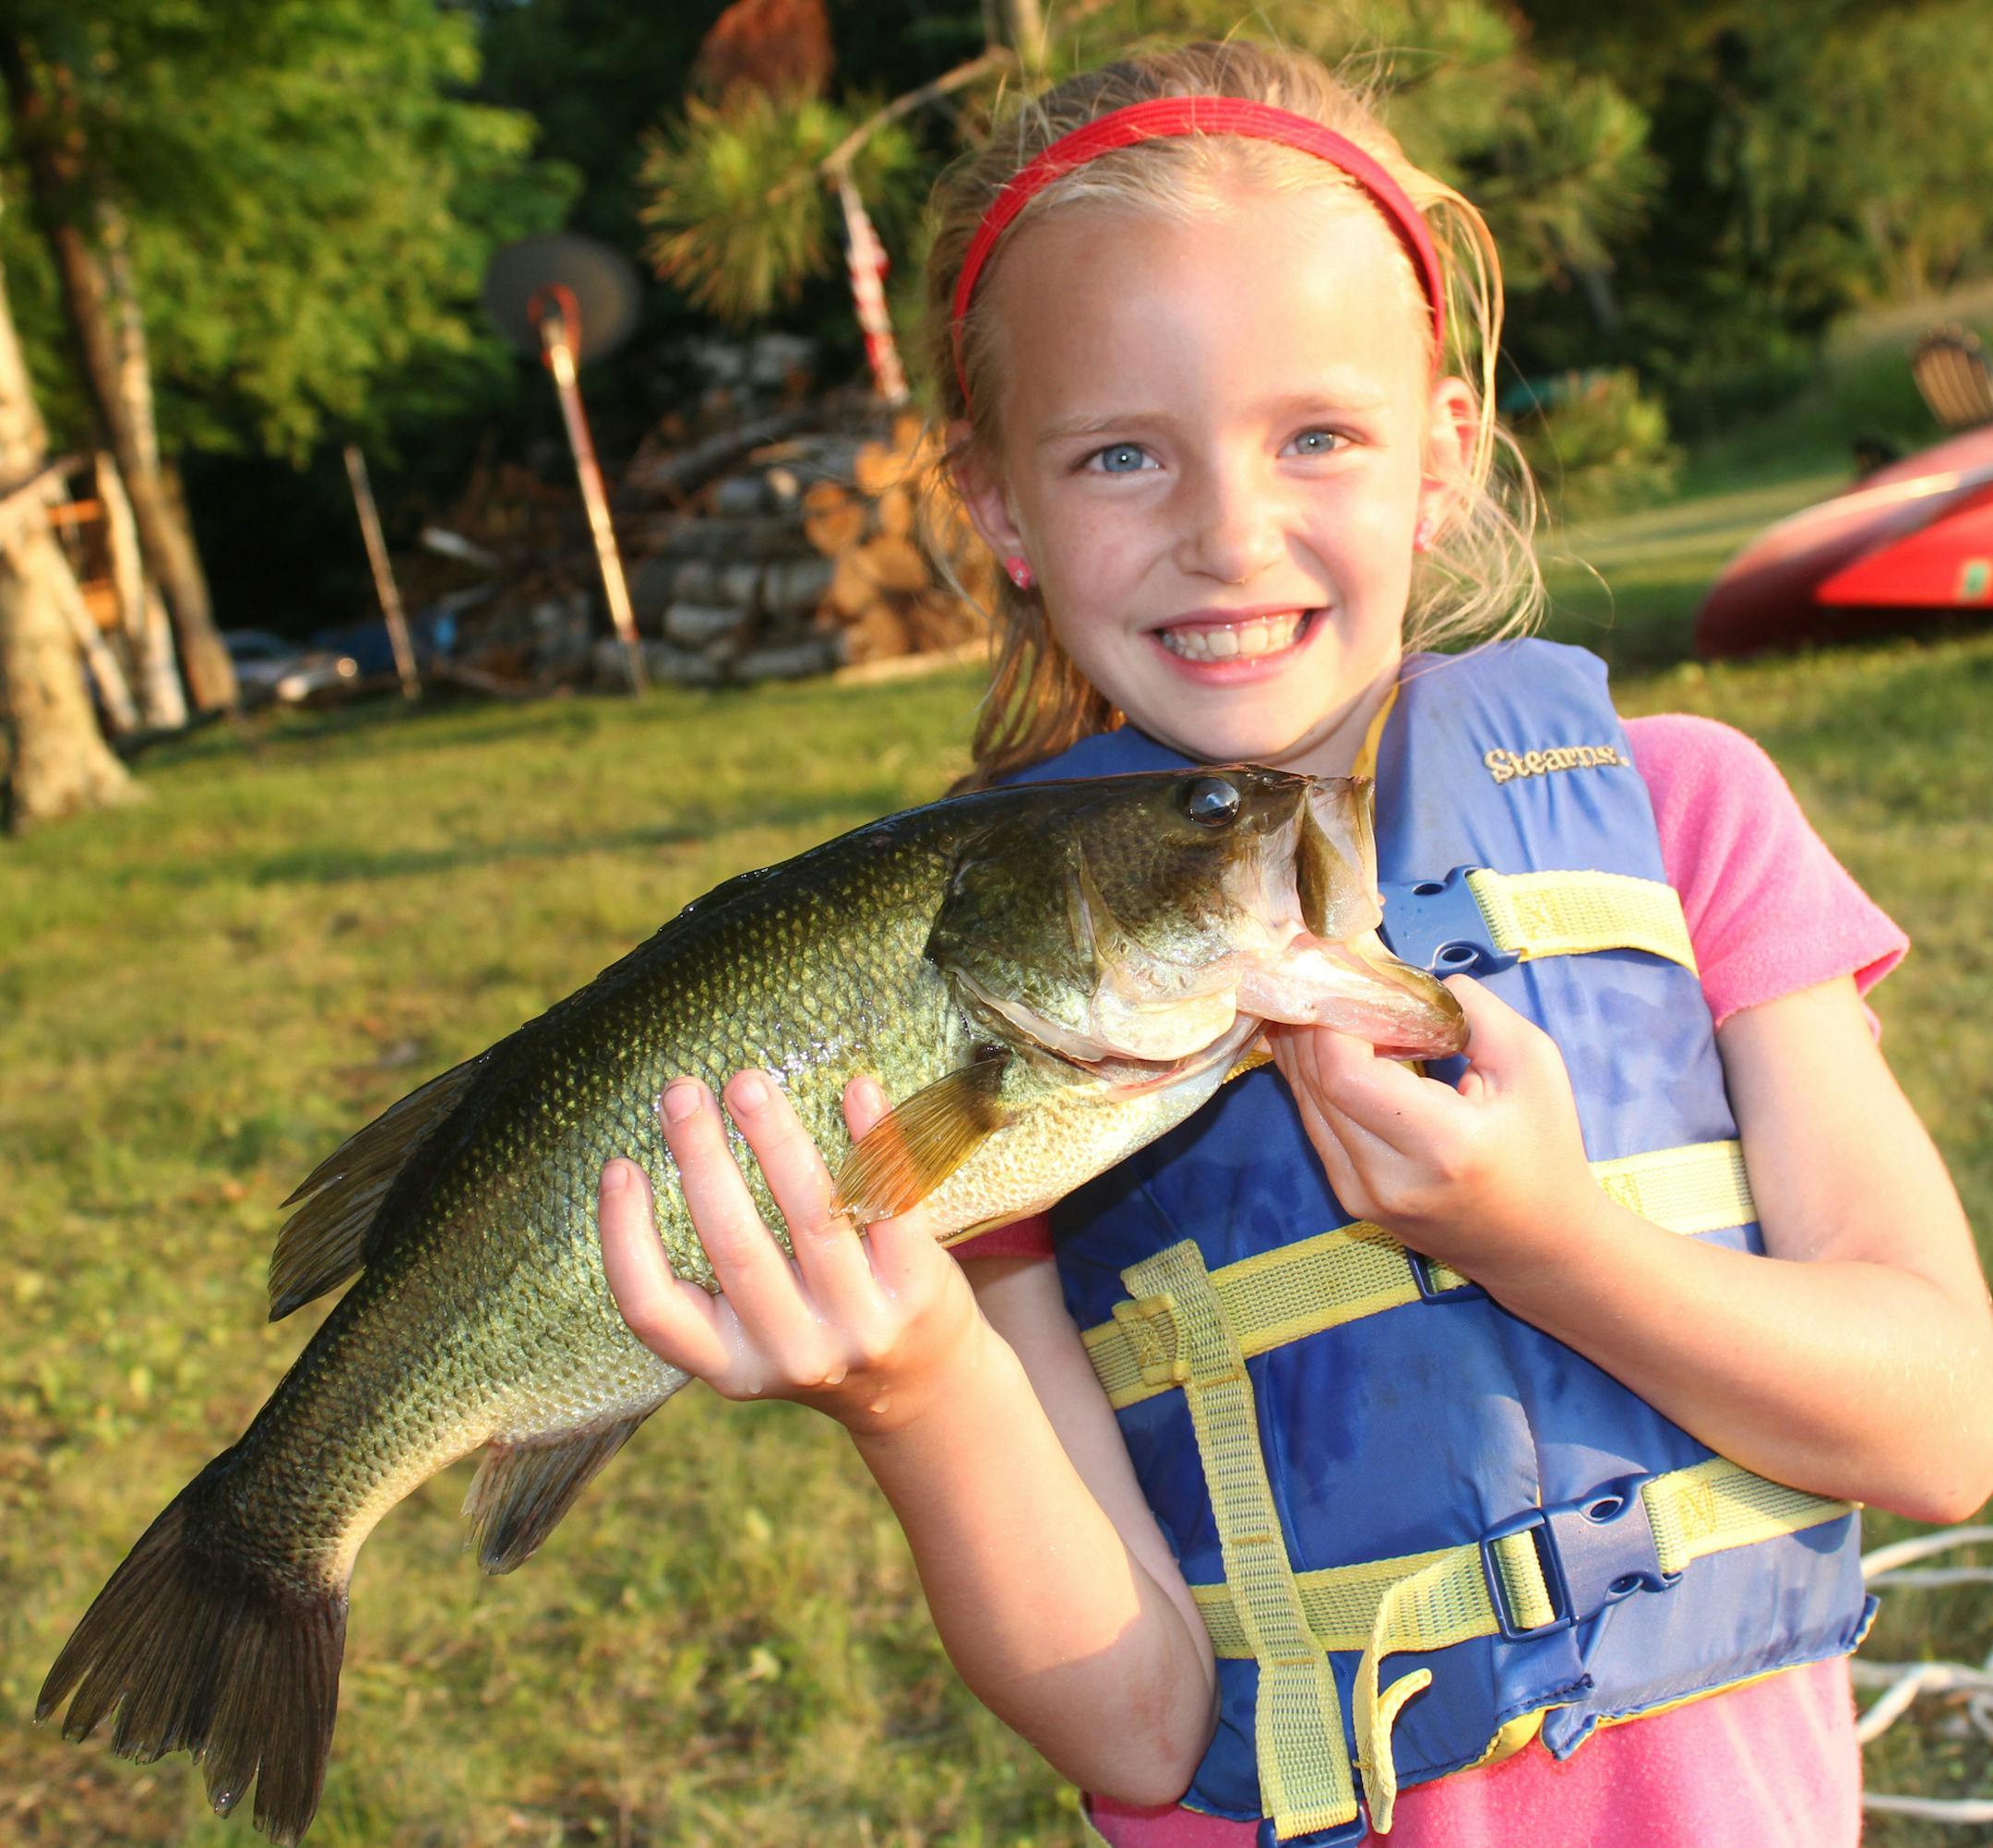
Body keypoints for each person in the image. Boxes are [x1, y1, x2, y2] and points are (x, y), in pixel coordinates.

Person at [593, 40, 1993, 1848]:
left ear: (1442, 456)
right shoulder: (996, 981)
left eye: (1316, 433)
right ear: (1000, 508)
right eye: (1120, 455)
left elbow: (1947, 1426)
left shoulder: (1689, 820)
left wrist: (1553, 1243)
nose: (1227, 531)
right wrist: (913, 1387)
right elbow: (1138, 1718)